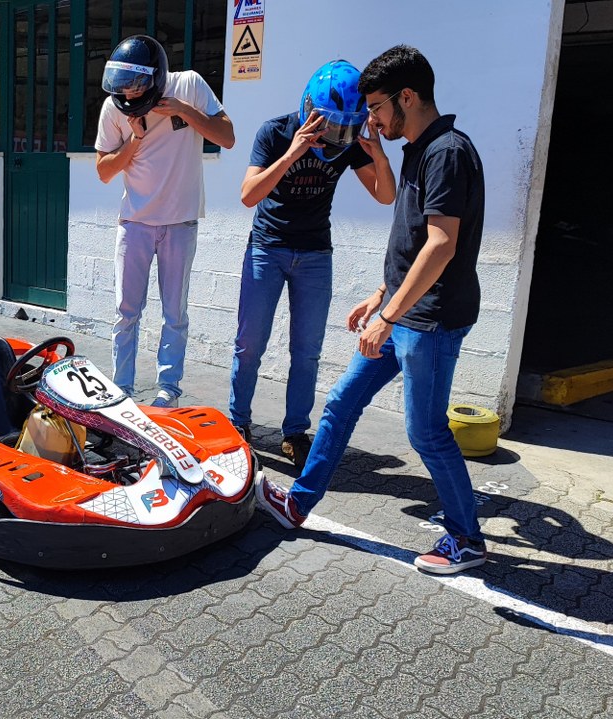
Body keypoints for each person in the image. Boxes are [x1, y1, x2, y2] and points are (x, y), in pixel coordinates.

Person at [258, 45, 489, 574]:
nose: (371, 119)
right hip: (405, 310)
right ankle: (299, 503)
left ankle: (467, 539)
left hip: (430, 320)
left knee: (426, 431)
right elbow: (413, 243)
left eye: (377, 106)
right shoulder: (418, 149)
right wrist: (383, 295)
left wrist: (389, 316)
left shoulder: (447, 152)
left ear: (407, 96)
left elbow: (441, 244)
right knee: (340, 404)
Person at [229, 60, 395, 466]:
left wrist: (380, 156)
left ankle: (295, 432)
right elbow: (249, 195)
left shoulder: (348, 141)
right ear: (309, 110)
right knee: (250, 344)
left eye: (344, 129)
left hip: (316, 254)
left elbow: (385, 195)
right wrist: (293, 152)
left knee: (307, 351)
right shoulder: (275, 131)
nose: (335, 139)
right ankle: (238, 423)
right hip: (268, 248)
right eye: (329, 128)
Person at [95, 34, 235, 407]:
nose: (127, 91)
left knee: (175, 314)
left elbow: (227, 137)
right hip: (135, 223)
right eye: (121, 83)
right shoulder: (115, 109)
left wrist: (184, 111)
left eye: (135, 83)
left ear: (155, 77)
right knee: (126, 312)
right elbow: (103, 171)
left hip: (180, 223)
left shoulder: (188, 84)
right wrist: (135, 140)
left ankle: (167, 391)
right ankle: (121, 390)